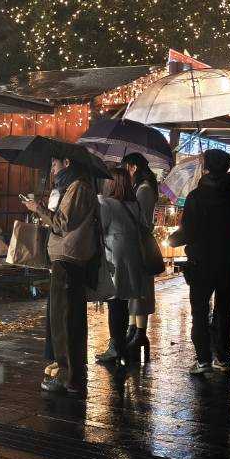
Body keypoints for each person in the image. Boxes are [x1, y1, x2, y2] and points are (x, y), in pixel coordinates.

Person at [23, 156, 100, 397]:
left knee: (64, 319)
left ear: (67, 163)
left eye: (54, 165)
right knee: (67, 318)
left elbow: (61, 224)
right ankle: (71, 373)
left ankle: (69, 376)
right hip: (68, 258)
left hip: (68, 259)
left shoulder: (78, 188)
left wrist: (38, 209)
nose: (53, 170)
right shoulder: (76, 187)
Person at [178, 148, 230, 373]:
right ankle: (223, 358)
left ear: (207, 166)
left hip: (201, 263)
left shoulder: (196, 196)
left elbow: (188, 231)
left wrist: (175, 239)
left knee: (199, 311)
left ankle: (203, 359)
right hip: (226, 262)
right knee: (225, 311)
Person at [95, 167, 147, 369]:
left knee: (114, 302)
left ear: (112, 183)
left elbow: (101, 228)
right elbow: (144, 226)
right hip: (132, 257)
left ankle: (115, 347)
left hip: (114, 257)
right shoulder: (134, 205)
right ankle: (120, 344)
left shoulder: (107, 203)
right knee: (123, 303)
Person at [120, 153, 160, 360]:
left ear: (133, 167)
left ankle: (140, 333)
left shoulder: (144, 189)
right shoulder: (140, 187)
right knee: (134, 288)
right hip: (136, 244)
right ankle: (133, 330)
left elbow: (142, 221)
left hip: (141, 245)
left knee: (141, 288)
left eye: (125, 167)